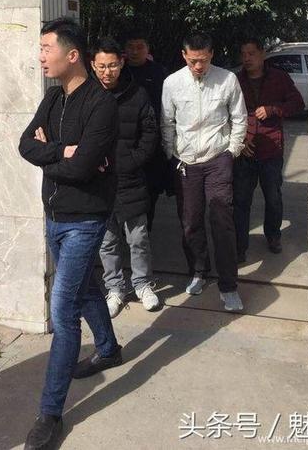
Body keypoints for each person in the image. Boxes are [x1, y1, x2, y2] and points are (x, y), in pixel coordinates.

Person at [18, 18, 121, 450]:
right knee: (84, 288)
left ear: (72, 54)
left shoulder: (101, 105)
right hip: (54, 216)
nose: (41, 57)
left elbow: (82, 170)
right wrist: (61, 150)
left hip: (85, 219)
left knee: (62, 313)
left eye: (47, 48)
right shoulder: (52, 98)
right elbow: (25, 145)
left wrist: (53, 155)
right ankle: (109, 348)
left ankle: (50, 413)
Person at [160, 32, 247, 312]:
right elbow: (167, 122)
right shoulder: (172, 83)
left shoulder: (227, 79)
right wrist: (170, 153)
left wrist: (232, 151)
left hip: (218, 157)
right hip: (185, 162)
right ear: (184, 55)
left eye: (204, 60)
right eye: (193, 61)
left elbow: (239, 117)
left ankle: (229, 286)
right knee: (190, 221)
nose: (198, 66)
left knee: (222, 219)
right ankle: (198, 270)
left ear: (211, 54)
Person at [91, 37, 160, 318]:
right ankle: (115, 288)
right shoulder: (86, 94)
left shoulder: (137, 93)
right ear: (93, 66)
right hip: (98, 181)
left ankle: (142, 284)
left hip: (131, 179)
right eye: (102, 66)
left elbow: (150, 132)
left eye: (112, 65)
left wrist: (133, 161)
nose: (107, 72)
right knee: (107, 241)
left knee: (138, 237)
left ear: (121, 63)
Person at [233, 38, 305, 263]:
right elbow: (224, 114)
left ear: (262, 54)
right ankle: (239, 246)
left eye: (251, 53)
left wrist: (274, 109)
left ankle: (273, 235)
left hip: (271, 150)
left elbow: (298, 104)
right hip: (244, 150)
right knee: (240, 201)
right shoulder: (235, 81)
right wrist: (239, 141)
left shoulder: (279, 78)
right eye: (243, 54)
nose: (247, 58)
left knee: (273, 198)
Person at [124, 31, 168, 231]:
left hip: (152, 142)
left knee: (151, 190)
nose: (135, 51)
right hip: (125, 141)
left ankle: (145, 231)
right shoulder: (119, 72)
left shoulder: (159, 73)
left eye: (139, 47)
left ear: (148, 49)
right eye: (131, 47)